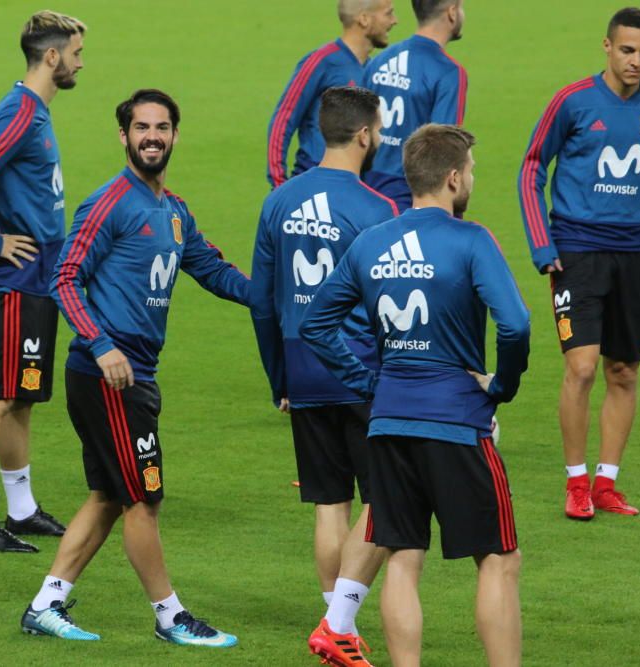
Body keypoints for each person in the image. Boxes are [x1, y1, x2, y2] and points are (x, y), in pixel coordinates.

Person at [20, 89, 249, 646]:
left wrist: (274, 297)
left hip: (134, 375)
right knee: (143, 499)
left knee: (108, 496)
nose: (152, 136)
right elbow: (63, 277)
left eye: (162, 127)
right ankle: (170, 617)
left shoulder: (173, 212)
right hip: (108, 377)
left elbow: (214, 271)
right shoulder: (110, 202)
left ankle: (45, 605)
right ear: (123, 136)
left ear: (174, 135)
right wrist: (100, 344)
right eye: (141, 127)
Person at [300, 124, 530, 667]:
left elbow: (316, 326)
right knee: (499, 559)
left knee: (403, 556)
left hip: (389, 423)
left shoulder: (371, 242)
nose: (471, 178)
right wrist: (501, 387)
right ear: (453, 178)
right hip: (455, 421)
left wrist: (370, 385)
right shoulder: (470, 239)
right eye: (470, 170)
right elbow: (515, 326)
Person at [252, 86, 397, 666]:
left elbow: (263, 301)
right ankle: (340, 623)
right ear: (364, 135)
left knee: (329, 502)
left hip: (301, 366)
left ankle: (334, 622)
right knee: (386, 497)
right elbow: (389, 304)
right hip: (360, 366)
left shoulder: (278, 201)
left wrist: (278, 376)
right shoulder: (377, 208)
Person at [0, 11, 86, 552]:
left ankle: (21, 509)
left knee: (21, 398)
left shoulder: (26, 109)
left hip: (39, 277)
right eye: (74, 53)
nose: (79, 62)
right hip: (14, 278)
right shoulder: (22, 110)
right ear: (51, 57)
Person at [517, 6, 640, 521]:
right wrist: (541, 242)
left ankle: (606, 484)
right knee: (582, 367)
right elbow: (532, 166)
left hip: (633, 255)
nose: (636, 61)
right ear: (606, 46)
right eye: (626, 50)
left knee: (625, 370)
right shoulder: (573, 102)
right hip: (576, 251)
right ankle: (576, 483)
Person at [266, 0, 398, 189]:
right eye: (388, 13)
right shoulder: (322, 62)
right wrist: (278, 183)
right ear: (364, 19)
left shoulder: (376, 71)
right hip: (312, 181)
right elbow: (284, 119)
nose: (394, 21)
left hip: (353, 187)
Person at [362, 0, 467, 211]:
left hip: (364, 195)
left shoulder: (378, 61)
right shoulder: (449, 72)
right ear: (452, 12)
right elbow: (443, 149)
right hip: (407, 200)